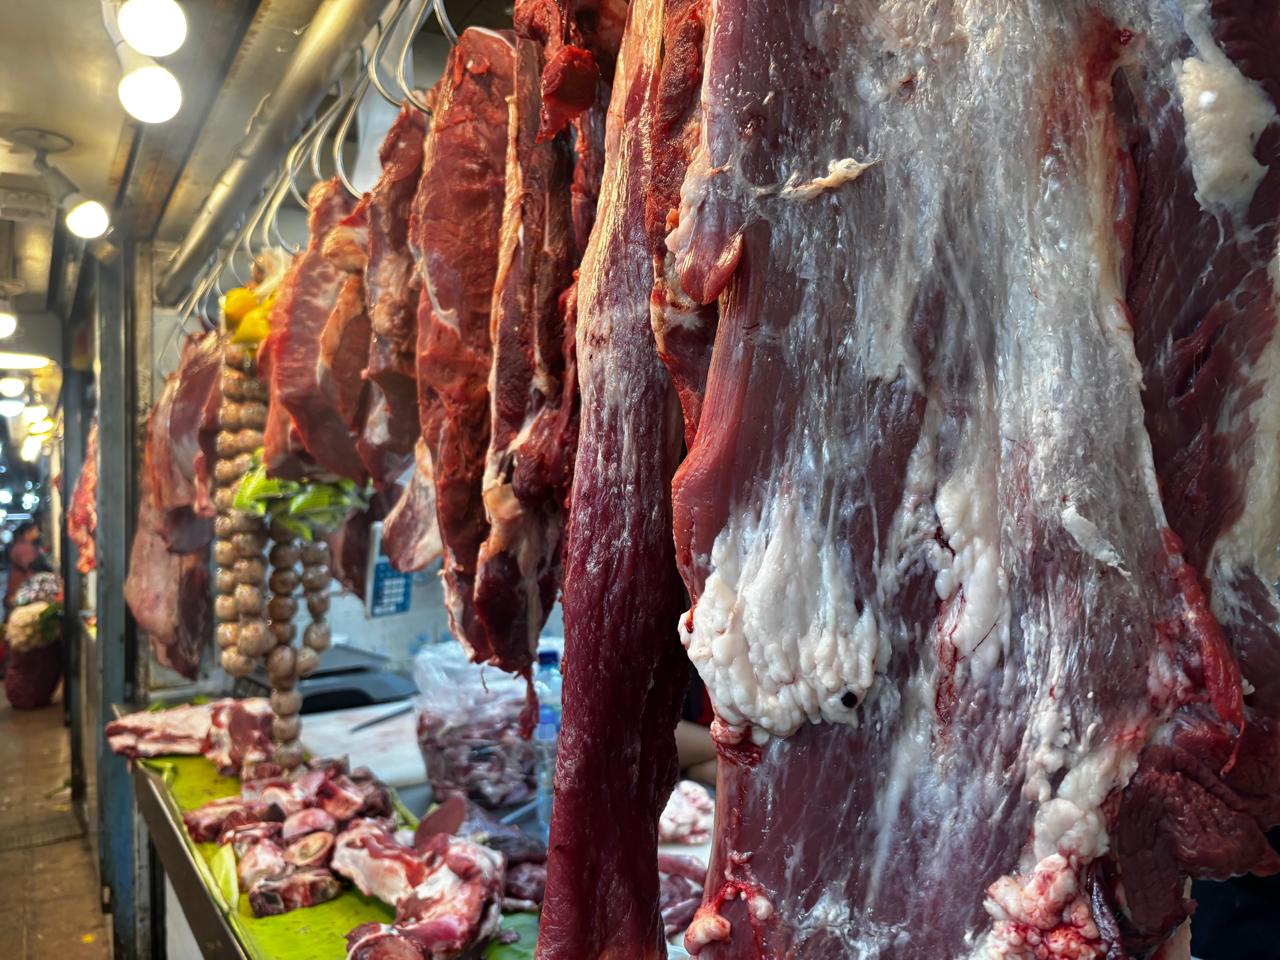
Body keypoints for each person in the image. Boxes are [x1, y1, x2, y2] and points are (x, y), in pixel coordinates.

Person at [5, 521, 51, 616]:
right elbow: (33, 566)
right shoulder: (23, 548)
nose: (38, 532)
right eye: (36, 530)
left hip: (20, 589)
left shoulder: (24, 546)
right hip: (20, 589)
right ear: (27, 532)